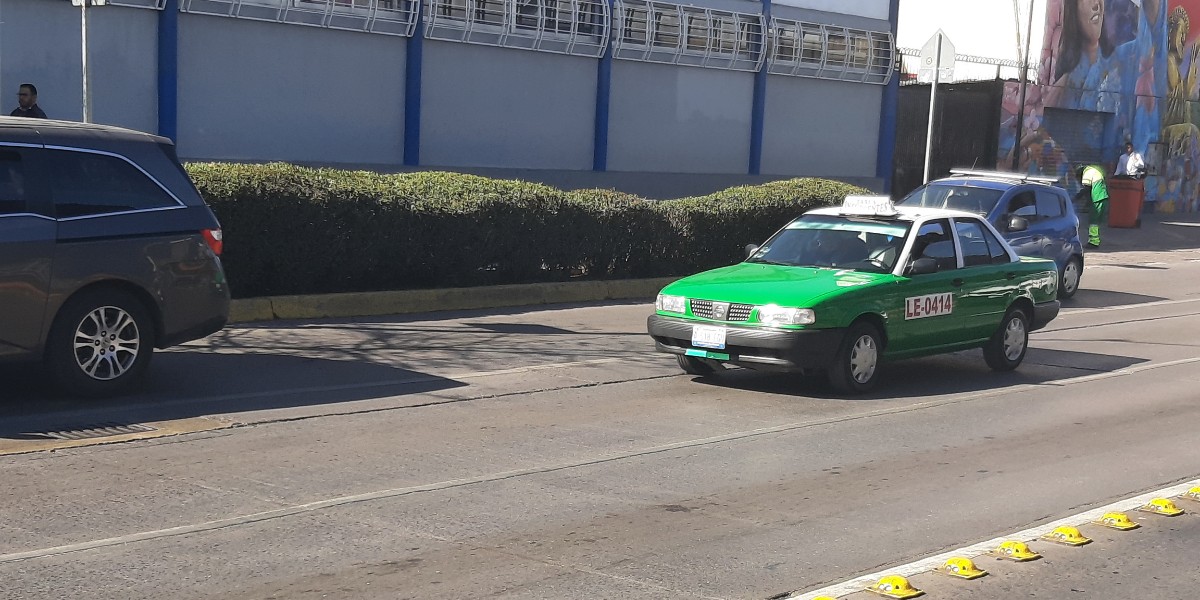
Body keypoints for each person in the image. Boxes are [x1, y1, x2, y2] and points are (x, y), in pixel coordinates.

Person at [1076, 163, 1109, 248]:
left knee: (1093, 221)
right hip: (1103, 197)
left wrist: (1075, 198)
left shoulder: (1087, 173)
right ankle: (1095, 241)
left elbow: (1086, 190)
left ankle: (1093, 242)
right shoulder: (1093, 170)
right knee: (1095, 221)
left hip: (1097, 198)